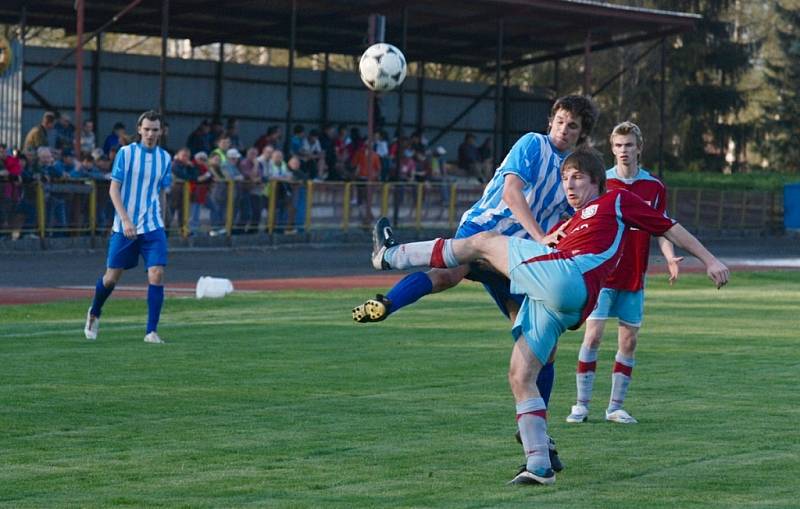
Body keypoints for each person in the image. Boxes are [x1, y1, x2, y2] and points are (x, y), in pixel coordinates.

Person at [368, 147, 730, 485]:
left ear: (596, 182)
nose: (569, 185)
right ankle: (538, 463)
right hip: (561, 302)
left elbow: (668, 225)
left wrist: (709, 259)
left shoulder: (615, 200)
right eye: (565, 178)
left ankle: (390, 254)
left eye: (577, 178)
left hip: (570, 277)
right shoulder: (570, 224)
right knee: (520, 374)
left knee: (484, 240)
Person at [352, 96, 599, 470]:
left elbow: (578, 218)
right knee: (451, 273)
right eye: (561, 121)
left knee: (540, 348)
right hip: (486, 230)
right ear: (551, 121)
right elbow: (511, 192)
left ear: (582, 135)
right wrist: (538, 234)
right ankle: (387, 294)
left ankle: (539, 439)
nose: (564, 130)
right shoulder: (533, 144)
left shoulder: (574, 174)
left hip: (516, 259)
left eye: (573, 126)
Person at [565, 122, 682, 425]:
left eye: (629, 145)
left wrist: (669, 257)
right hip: (602, 273)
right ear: (612, 148)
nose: (623, 151)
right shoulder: (604, 184)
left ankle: (615, 407)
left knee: (628, 342)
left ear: (639, 148)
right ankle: (581, 405)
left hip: (634, 274)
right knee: (592, 336)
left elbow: (662, 226)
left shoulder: (654, 187)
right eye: (618, 146)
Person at [84, 110, 172, 344]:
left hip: (153, 227)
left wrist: (162, 219)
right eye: (147, 129)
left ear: (161, 131)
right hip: (125, 226)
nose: (151, 133)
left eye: (155, 129)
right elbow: (114, 189)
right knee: (111, 278)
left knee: (157, 273)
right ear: (139, 129)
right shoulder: (126, 153)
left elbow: (162, 191)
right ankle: (94, 312)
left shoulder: (165, 158)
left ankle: (151, 332)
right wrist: (125, 220)